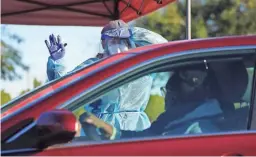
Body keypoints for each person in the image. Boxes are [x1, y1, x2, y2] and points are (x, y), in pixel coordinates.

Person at [44, 20, 168, 132]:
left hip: (138, 132)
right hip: (100, 133)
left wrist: (131, 32)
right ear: (103, 43)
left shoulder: (140, 63)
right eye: (113, 41)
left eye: (123, 41)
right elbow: (64, 88)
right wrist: (57, 63)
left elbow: (164, 46)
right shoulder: (93, 66)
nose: (119, 47)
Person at [80, 60, 249, 139]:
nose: (168, 95)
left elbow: (147, 146)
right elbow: (147, 138)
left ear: (203, 84)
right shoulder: (180, 118)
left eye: (191, 78)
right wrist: (113, 132)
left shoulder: (203, 128)